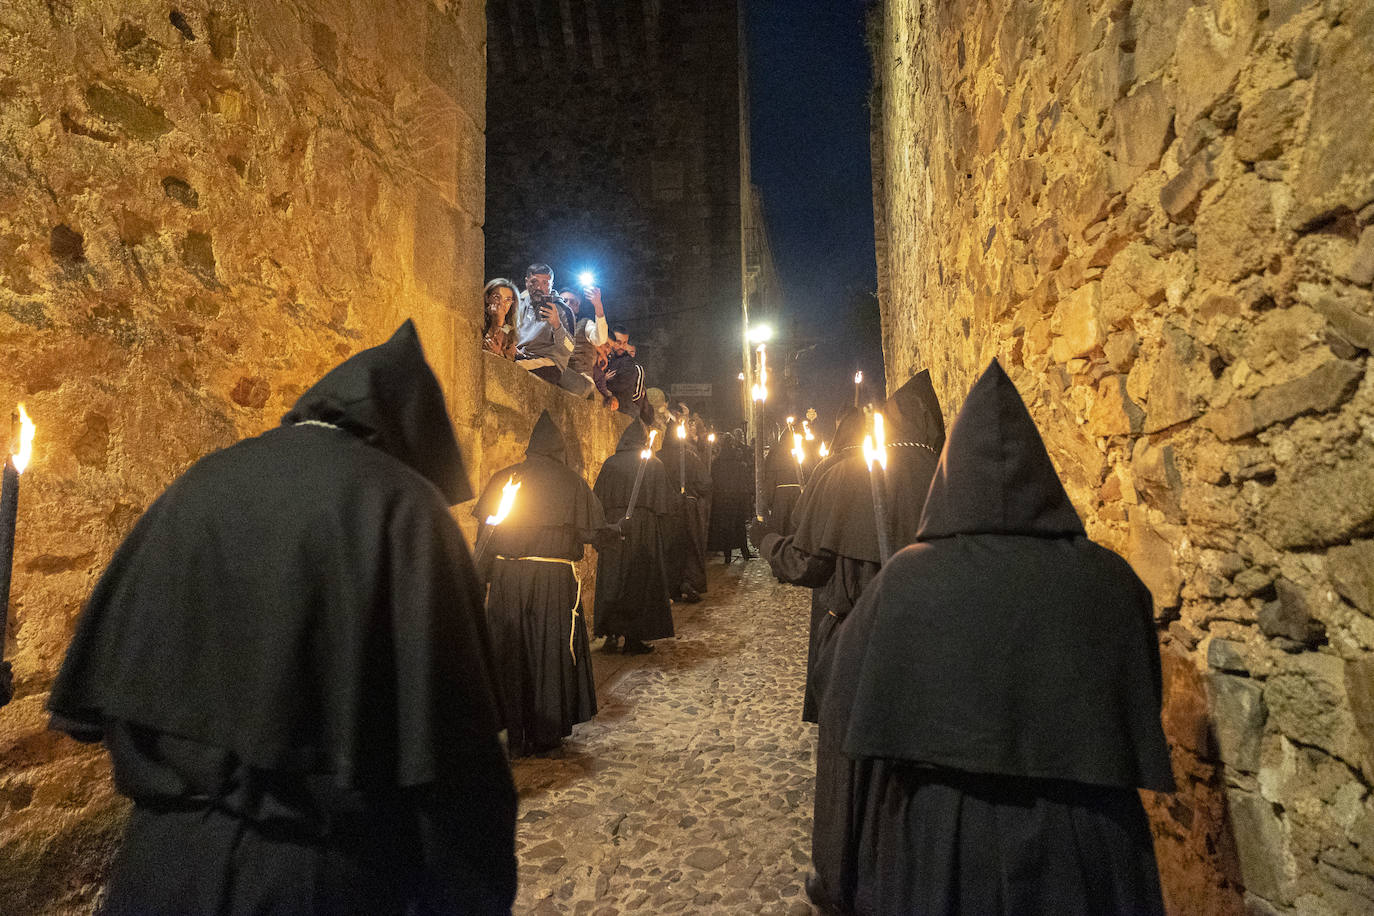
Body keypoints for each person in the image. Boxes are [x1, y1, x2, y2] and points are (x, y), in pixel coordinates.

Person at [47, 321, 517, 915]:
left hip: (157, 869)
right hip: (316, 879)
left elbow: (114, 695)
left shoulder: (204, 479)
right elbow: (456, 765)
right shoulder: (404, 508)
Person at [810, 360, 1174, 915]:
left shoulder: (903, 584)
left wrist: (841, 871)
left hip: (942, 842)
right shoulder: (1111, 582)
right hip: (1086, 844)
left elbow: (846, 714)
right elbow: (1140, 694)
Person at [751, 371, 944, 724]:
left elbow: (806, 562)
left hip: (855, 642)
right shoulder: (944, 476)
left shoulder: (842, 473)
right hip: (928, 647)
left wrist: (765, 541)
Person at [473, 410, 619, 757]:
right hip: (552, 582)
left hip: (508, 579)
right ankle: (546, 731)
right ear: (559, 449)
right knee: (548, 650)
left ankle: (516, 731)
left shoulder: (504, 478)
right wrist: (613, 534)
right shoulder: (570, 482)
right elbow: (592, 533)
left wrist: (480, 579)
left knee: (511, 650)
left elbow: (485, 539)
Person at [592, 421, 674, 655]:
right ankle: (632, 637)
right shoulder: (653, 465)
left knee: (613, 580)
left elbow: (597, 500)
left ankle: (610, 633)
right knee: (637, 581)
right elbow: (666, 506)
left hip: (613, 526)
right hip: (642, 531)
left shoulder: (610, 464)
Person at [657, 423, 711, 603]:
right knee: (690, 544)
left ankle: (672, 586)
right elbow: (705, 483)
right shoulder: (689, 456)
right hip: (686, 507)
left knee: (669, 547)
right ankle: (689, 581)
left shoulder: (657, 458)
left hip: (664, 510)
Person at [515, 263, 575, 383]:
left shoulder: (563, 310)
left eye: (545, 283)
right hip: (521, 355)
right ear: (526, 282)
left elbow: (570, 349)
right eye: (534, 282)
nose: (539, 287)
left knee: (512, 368)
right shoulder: (520, 304)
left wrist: (557, 325)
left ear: (551, 284)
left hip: (549, 363)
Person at [707, 432, 754, 562]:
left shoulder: (716, 463)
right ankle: (744, 552)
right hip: (736, 499)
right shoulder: (738, 463)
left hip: (722, 499)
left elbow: (713, 480)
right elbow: (743, 482)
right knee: (739, 527)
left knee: (725, 528)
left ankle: (728, 556)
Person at [558, 285, 608, 398]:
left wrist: (597, 305)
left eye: (573, 302)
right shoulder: (548, 326)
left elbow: (600, 339)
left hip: (581, 380)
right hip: (561, 376)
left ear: (577, 308)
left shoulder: (584, 324)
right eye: (563, 300)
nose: (568, 304)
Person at [605, 326, 649, 422]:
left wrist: (604, 382)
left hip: (622, 411)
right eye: (618, 342)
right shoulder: (606, 356)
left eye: (625, 343)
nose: (622, 347)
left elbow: (620, 385)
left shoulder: (628, 363)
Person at [482, 278, 519, 359]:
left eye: (508, 300)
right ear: (487, 298)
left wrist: (499, 320)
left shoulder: (509, 329)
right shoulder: (478, 320)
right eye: (497, 297)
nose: (502, 303)